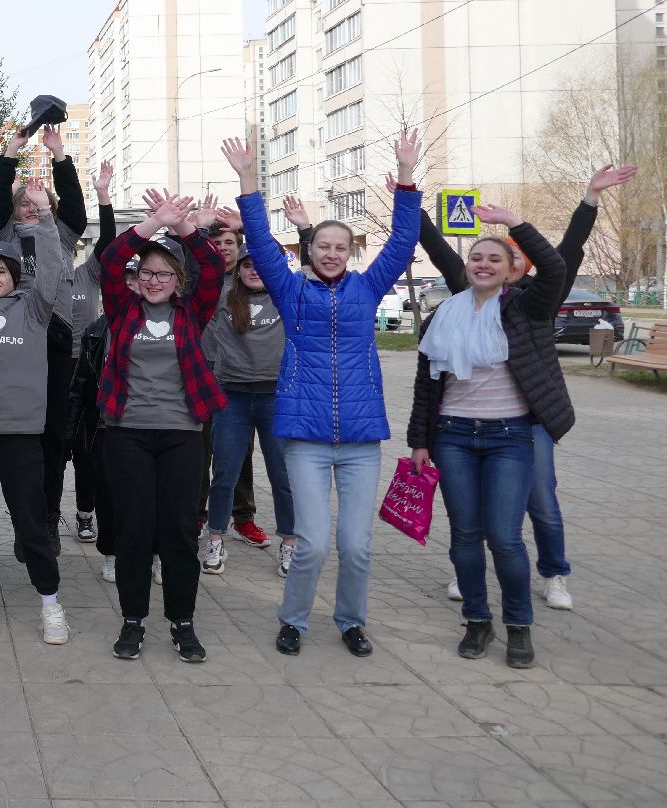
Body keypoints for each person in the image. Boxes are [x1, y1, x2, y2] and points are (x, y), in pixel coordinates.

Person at [223, 131, 422, 659]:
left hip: (360, 440)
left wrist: (406, 174)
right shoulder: (291, 291)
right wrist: (248, 179)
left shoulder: (367, 287)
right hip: (306, 439)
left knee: (356, 546)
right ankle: (293, 620)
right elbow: (262, 245)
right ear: (308, 250)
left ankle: (351, 621)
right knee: (310, 544)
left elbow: (403, 242)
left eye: (340, 247)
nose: (331, 254)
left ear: (349, 252)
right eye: (322, 246)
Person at [418, 164, 635, 611]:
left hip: (528, 420)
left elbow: (569, 250)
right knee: (471, 509)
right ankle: (469, 575)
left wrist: (590, 197)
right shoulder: (463, 297)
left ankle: (554, 572)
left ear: (521, 265)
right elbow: (439, 249)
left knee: (540, 500)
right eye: (487, 258)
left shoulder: (539, 299)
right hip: (465, 426)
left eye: (509, 258)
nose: (498, 264)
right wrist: (410, 199)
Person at [406, 202, 567, 669]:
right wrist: (420, 441)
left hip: (510, 439)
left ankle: (518, 626)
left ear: (511, 269)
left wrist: (516, 222)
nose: (484, 265)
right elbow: (426, 386)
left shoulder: (525, 309)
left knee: (505, 537)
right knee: (463, 537)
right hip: (454, 437)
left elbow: (554, 265)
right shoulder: (444, 316)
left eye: (496, 259)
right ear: (468, 265)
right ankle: (478, 620)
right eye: (478, 258)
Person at [95, 191, 225, 662]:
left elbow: (213, 270)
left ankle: (182, 622)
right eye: (146, 272)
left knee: (178, 532)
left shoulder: (193, 311)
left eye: (164, 273)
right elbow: (109, 261)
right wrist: (152, 225)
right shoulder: (122, 308)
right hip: (126, 432)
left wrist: (186, 229)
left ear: (177, 280)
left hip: (182, 435)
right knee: (133, 529)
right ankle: (133, 621)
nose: (153, 280)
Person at [0, 178, 70, 647]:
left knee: (31, 524)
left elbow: (55, 269)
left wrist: (43, 215)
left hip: (21, 435)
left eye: (1, 272)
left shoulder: (36, 309)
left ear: (16, 276)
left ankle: (50, 604)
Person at [0, 126, 88, 556]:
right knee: (18, 436)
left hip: (56, 338)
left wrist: (59, 155)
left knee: (51, 437)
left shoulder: (61, 233)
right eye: (22, 202)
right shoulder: (5, 234)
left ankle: (46, 518)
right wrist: (11, 151)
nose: (28, 207)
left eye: (36, 201)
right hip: (12, 338)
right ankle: (22, 517)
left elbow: (78, 210)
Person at [201, 247, 296, 578]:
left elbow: (314, 268)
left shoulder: (286, 295)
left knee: (282, 475)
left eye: (261, 264)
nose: (255, 270)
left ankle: (289, 543)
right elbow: (199, 267)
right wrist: (195, 232)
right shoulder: (223, 297)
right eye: (248, 265)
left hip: (275, 399)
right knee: (224, 473)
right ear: (238, 270)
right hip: (233, 398)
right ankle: (215, 540)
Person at [196, 206, 267, 549]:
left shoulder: (252, 282)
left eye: (229, 242)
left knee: (240, 453)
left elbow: (271, 257)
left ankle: (244, 517)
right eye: (216, 242)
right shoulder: (202, 279)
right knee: (202, 449)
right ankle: (199, 513)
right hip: (202, 374)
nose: (223, 247)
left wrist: (250, 227)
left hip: (239, 381)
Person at [64, 163, 116, 547]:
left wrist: (103, 195)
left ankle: (85, 514)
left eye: (67, 246)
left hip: (86, 371)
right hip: (48, 371)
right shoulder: (36, 282)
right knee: (53, 448)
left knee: (86, 451)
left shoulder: (88, 275)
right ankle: (46, 514)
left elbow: (110, 242)